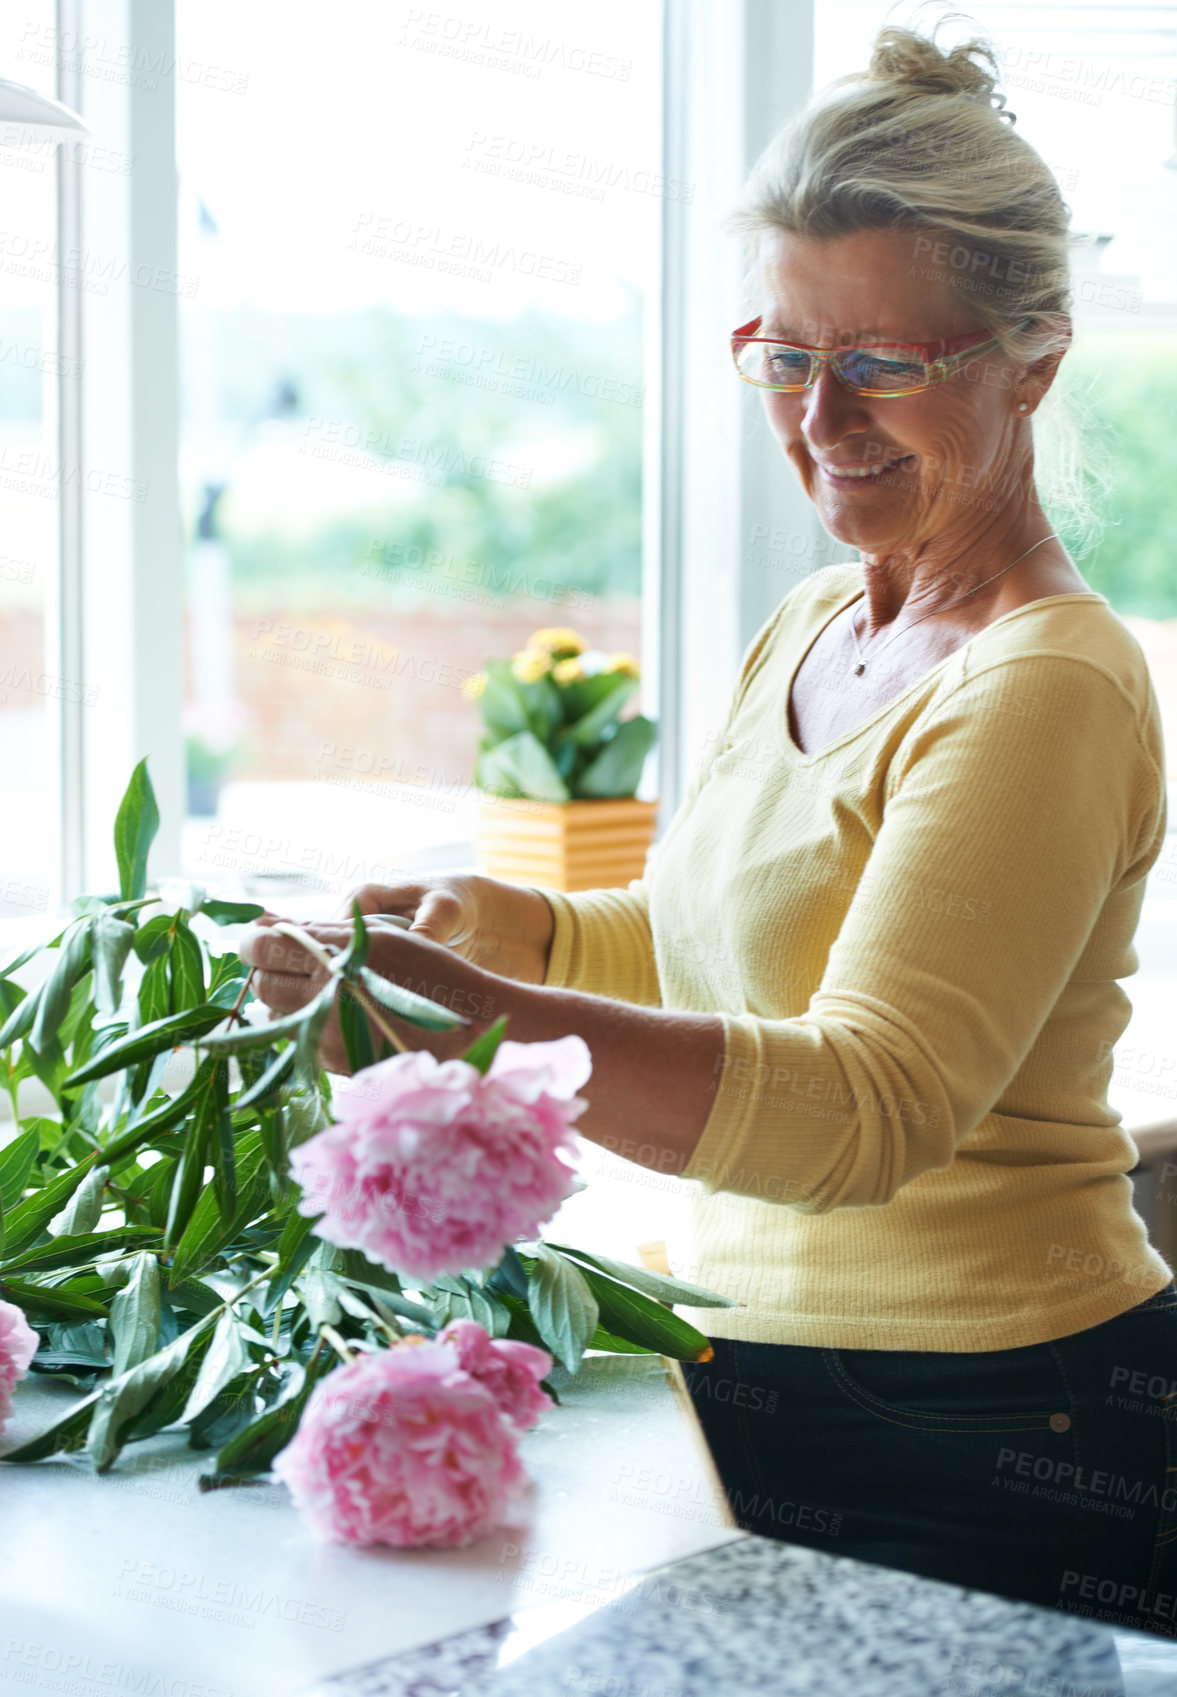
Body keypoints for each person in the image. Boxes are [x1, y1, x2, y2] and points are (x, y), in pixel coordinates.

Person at [242, 20, 1177, 1637]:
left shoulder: (1049, 684)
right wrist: (501, 930)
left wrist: (488, 1030)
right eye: (785, 355)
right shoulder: (815, 621)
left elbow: (863, 1105)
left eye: (884, 361)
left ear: (1031, 357)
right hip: (744, 1371)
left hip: (985, 1423)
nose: (822, 415)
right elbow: (703, 947)